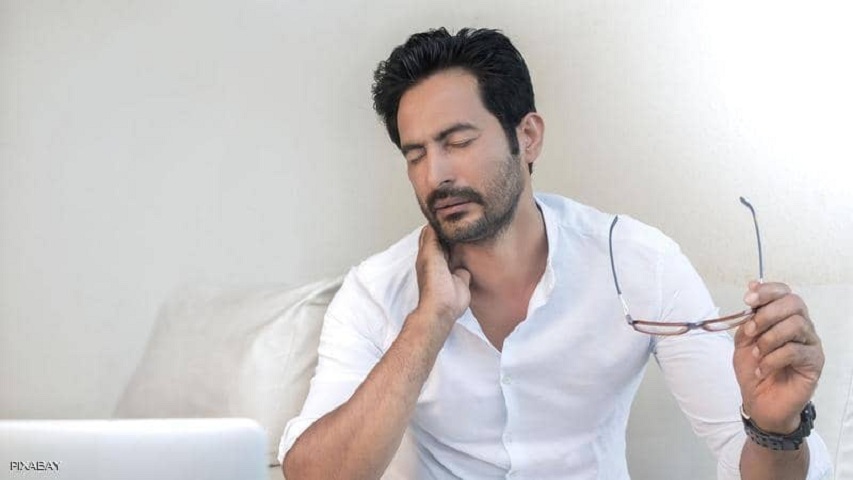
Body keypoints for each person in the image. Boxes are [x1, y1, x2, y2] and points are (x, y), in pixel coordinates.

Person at [280, 28, 831, 479]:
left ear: (528, 136)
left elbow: (749, 461)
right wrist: (428, 324)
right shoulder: (375, 291)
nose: (435, 175)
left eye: (458, 141)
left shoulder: (635, 263)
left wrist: (774, 429)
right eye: (416, 154)